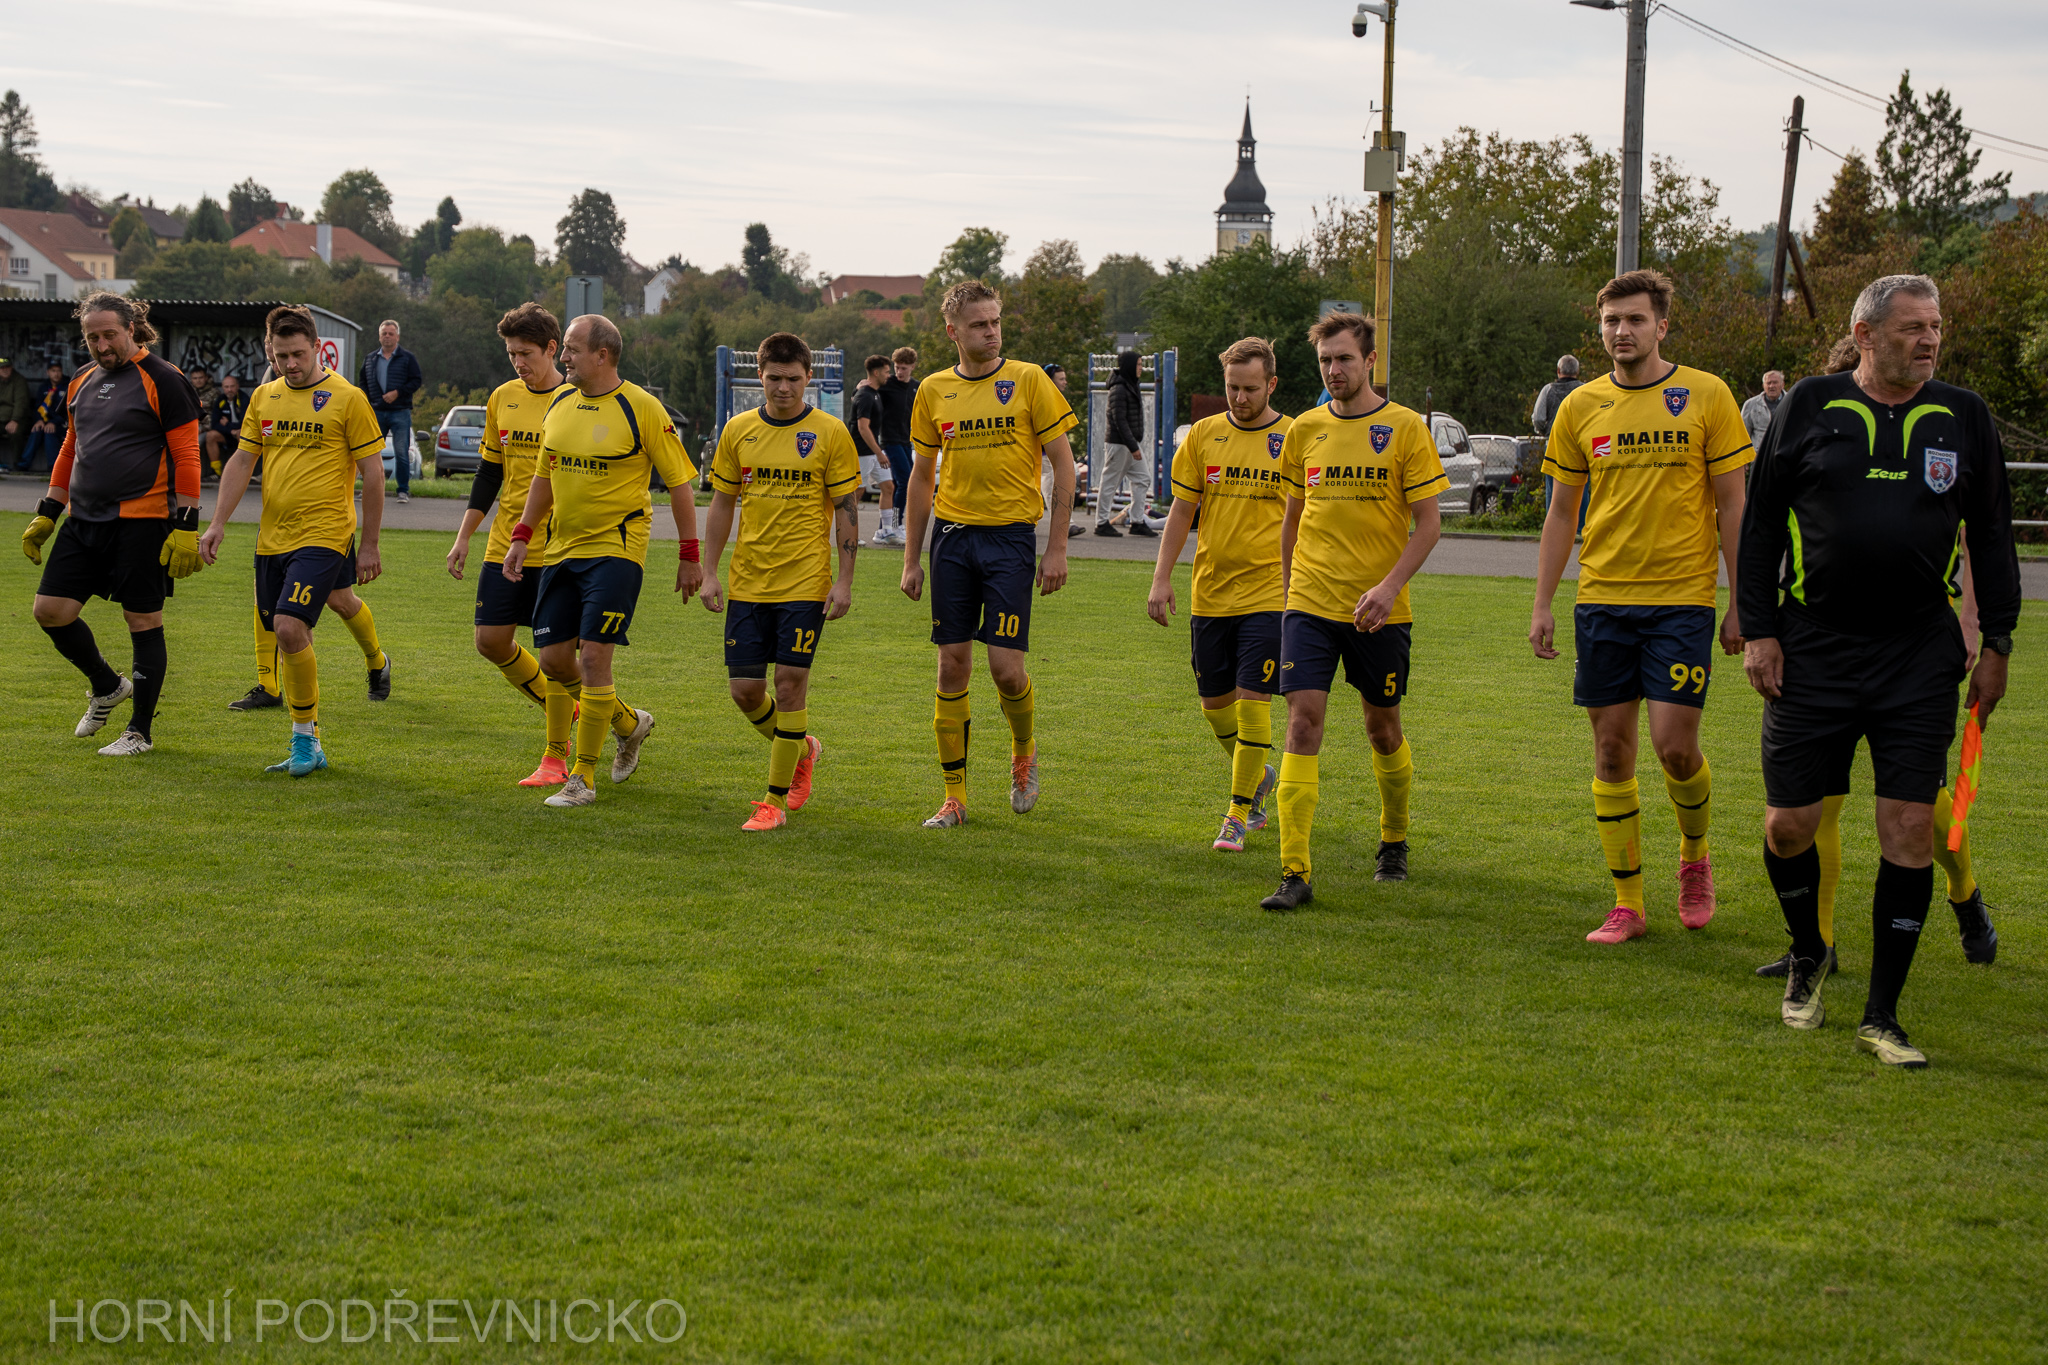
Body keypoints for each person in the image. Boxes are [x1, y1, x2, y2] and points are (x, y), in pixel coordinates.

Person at [1738, 273, 2019, 1068]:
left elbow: (1992, 533)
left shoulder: (1963, 416)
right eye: (1912, 328)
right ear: (1864, 334)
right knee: (1788, 826)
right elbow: (1760, 527)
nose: (1929, 340)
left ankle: (1883, 1015)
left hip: (1918, 654)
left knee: (1910, 828)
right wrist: (1760, 631)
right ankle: (1808, 952)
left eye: (1936, 327)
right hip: (1813, 646)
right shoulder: (1810, 404)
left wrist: (1997, 643)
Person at [1529, 269, 1751, 944]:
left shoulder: (1707, 395)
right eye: (1611, 321)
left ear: (1662, 326)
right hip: (1602, 601)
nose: (1621, 331)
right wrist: (1543, 601)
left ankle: (1694, 857)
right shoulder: (1578, 407)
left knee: (1675, 749)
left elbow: (1733, 504)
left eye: (1634, 319)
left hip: (1682, 600)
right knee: (1611, 751)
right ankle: (1628, 903)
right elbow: (1561, 512)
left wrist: (1741, 601)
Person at [1261, 312, 1447, 911]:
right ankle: (1294, 872)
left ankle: (1393, 839)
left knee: (1381, 727)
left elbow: (1428, 524)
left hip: (1380, 611)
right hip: (1310, 604)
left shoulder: (1404, 428)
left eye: (1343, 358)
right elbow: (1292, 520)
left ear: (1369, 361)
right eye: (1325, 360)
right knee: (1302, 722)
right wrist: (1290, 594)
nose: (1333, 370)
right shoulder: (1305, 429)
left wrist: (1389, 588)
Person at [500, 314, 703, 809]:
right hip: (560, 550)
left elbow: (679, 484)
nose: (564, 357)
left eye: (571, 348)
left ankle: (582, 778)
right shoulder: (561, 403)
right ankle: (629, 724)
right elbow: (544, 475)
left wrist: (689, 555)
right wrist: (522, 535)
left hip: (617, 550)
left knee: (593, 658)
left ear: (602, 355)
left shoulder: (643, 408)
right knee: (554, 661)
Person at [901, 279, 1079, 828]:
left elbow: (1064, 466)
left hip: (1010, 540)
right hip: (953, 539)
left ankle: (1023, 751)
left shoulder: (1028, 380)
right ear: (953, 331)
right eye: (979, 324)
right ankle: (953, 797)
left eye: (996, 321)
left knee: (1005, 671)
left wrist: (1056, 548)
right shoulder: (932, 389)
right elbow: (921, 477)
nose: (992, 332)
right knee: (951, 665)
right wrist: (911, 558)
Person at [201, 306, 388, 776]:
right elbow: (242, 461)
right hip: (273, 537)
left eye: (299, 354)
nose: (290, 364)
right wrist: (218, 522)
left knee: (287, 627)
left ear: (317, 347)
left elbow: (373, 472)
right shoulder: (264, 397)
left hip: (326, 533)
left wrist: (369, 544)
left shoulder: (348, 399)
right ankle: (372, 667)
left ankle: (304, 740)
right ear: (271, 350)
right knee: (328, 610)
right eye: (281, 355)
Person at [21, 294, 203, 757]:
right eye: (92, 337)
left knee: (142, 620)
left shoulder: (165, 378)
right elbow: (70, 448)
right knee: (50, 611)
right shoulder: (81, 380)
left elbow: (186, 454)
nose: (101, 345)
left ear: (131, 329)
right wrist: (48, 511)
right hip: (83, 520)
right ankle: (106, 686)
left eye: (109, 335)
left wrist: (186, 524)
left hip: (143, 522)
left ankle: (139, 732)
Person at [699, 332, 861, 830]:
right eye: (774, 378)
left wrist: (844, 581)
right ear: (760, 376)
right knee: (745, 692)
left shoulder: (830, 433)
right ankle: (802, 750)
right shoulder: (738, 430)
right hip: (748, 582)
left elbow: (847, 509)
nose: (783, 388)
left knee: (789, 687)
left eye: (793, 379)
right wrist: (709, 571)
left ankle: (773, 801)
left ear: (808, 377)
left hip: (806, 584)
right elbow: (722, 503)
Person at [446, 302, 597, 788]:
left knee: (557, 653)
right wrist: (464, 536)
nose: (518, 362)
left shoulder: (578, 399)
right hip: (505, 543)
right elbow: (489, 473)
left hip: (561, 547)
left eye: (526, 353)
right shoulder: (502, 398)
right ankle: (610, 717)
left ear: (552, 349)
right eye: (511, 353)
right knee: (490, 641)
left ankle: (555, 756)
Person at [1146, 337, 1289, 851]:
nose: (1240, 398)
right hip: (1210, 592)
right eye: (1232, 388)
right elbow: (1182, 512)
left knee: (1254, 702)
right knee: (1215, 708)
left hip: (1270, 592)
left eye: (1250, 388)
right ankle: (1259, 776)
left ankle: (1237, 813)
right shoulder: (1204, 435)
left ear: (1271, 385)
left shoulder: (1293, 438)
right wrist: (1161, 578)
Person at [360, 319, 422, 504]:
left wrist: (398, 393)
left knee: (401, 452)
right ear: (379, 337)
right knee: (371, 452)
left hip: (400, 411)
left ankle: (402, 491)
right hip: (377, 411)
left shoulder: (407, 358)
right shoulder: (370, 359)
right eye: (384, 334)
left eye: (391, 334)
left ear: (397, 337)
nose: (387, 336)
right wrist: (369, 401)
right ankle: (369, 488)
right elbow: (363, 382)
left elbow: (416, 380)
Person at [1095, 349, 1152, 536]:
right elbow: (1119, 420)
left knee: (1143, 478)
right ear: (1129, 366)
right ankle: (1101, 523)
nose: (1141, 368)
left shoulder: (1131, 384)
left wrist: (1134, 444)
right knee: (1110, 482)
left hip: (1130, 443)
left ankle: (1137, 521)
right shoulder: (1118, 388)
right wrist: (1133, 446)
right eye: (1138, 364)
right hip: (1119, 444)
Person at [851, 354, 897, 544]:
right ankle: (850, 535)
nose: (889, 375)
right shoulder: (865, 395)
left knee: (888, 486)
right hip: (861, 452)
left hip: (873, 451)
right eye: (886, 371)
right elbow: (863, 428)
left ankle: (886, 531)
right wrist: (879, 453)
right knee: (857, 493)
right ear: (876, 373)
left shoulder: (874, 392)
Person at [1040, 362, 1086, 538]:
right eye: (1061, 379)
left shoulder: (1054, 397)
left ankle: (1065, 524)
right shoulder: (1044, 397)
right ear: (1050, 380)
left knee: (1056, 480)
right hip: (1044, 450)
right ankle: (1064, 525)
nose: (1065, 382)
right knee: (1051, 483)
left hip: (1049, 449)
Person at [878, 346, 918, 544]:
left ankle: (884, 528)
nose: (899, 372)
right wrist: (859, 388)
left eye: (903, 368)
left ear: (912, 367)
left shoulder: (916, 387)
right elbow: (866, 390)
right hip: (890, 440)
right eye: (897, 368)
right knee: (905, 481)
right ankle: (895, 524)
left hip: (905, 440)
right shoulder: (887, 384)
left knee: (895, 485)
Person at [18, 360, 69, 473]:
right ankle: (24, 464)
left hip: (62, 423)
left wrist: (54, 422)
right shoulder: (44, 387)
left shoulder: (67, 386)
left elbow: (67, 411)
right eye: (53, 371)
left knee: (49, 432)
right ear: (48, 372)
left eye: (58, 371)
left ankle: (53, 467)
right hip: (46, 421)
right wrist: (39, 420)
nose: (56, 374)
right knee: (37, 430)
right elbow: (38, 406)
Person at [203, 373, 246, 476]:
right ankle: (216, 471)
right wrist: (230, 430)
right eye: (226, 387)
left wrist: (228, 424)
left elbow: (244, 424)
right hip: (227, 434)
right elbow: (214, 424)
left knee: (241, 433)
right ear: (223, 388)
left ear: (237, 386)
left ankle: (242, 471)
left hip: (240, 434)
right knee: (211, 435)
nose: (229, 390)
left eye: (232, 386)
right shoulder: (221, 400)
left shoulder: (244, 399)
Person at [1529, 354, 1582, 437]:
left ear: (1558, 370)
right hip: (1578, 438)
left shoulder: (1548, 389)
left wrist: (1546, 431)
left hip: (1554, 438)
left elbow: (1538, 419)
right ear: (1577, 371)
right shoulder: (1584, 390)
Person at [1741, 369, 1785, 450]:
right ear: (1763, 386)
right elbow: (1743, 435)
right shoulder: (1751, 405)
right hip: (1759, 454)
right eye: (1768, 383)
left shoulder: (1793, 403)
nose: (1771, 386)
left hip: (1785, 453)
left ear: (1782, 385)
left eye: (1775, 382)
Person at [0, 356, 30, 471]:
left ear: (11, 367)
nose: (5, 370)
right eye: (2, 368)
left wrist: (15, 420)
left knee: (16, 433)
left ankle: (18, 464)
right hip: (1, 418)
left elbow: (21, 403)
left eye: (7, 367)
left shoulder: (19, 380)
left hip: (17, 418)